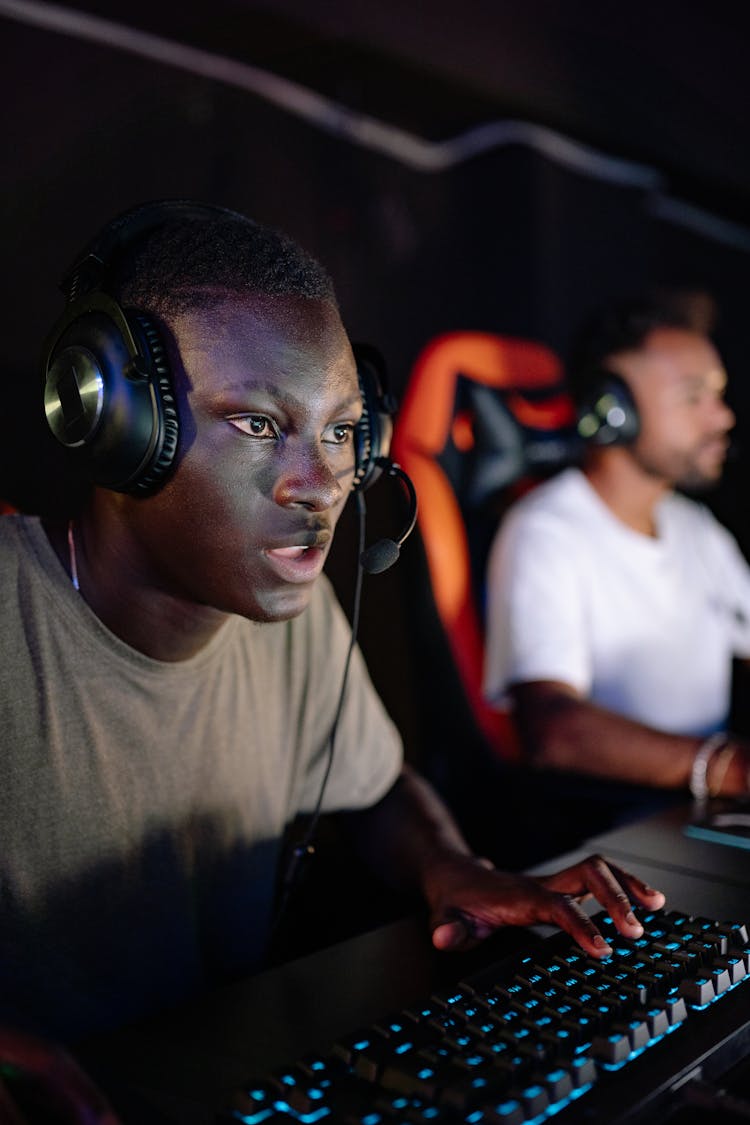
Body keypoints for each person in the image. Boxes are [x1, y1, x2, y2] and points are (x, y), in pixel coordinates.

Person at [0, 202, 664, 1066]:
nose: (323, 487)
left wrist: (452, 867)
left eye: (345, 431)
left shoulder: (293, 611)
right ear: (115, 419)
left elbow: (376, 788)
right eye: (261, 425)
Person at [483, 292, 750, 827]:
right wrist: (727, 768)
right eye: (693, 396)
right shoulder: (547, 532)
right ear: (612, 410)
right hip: (607, 825)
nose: (723, 416)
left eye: (718, 394)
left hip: (697, 809)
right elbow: (553, 732)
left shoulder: (698, 531)